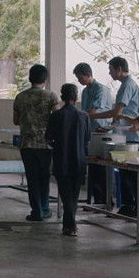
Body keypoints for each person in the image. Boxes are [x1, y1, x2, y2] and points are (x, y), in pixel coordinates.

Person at [93, 56, 139, 217]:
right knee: (126, 173)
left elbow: (117, 112)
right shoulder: (127, 85)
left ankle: (131, 207)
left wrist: (93, 116)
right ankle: (130, 206)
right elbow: (119, 116)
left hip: (131, 138)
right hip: (126, 135)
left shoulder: (127, 85)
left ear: (119, 69)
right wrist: (108, 127)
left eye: (111, 70)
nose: (110, 73)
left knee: (129, 174)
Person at [13, 65, 60, 221]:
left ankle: (36, 211)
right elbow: (57, 117)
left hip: (27, 144)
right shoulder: (51, 96)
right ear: (45, 79)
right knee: (44, 178)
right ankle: (45, 209)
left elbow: (15, 121)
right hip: (46, 144)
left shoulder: (20, 97)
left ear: (30, 78)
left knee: (32, 179)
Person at [46, 84, 90, 236]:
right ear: (76, 97)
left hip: (61, 160)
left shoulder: (55, 116)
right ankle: (69, 225)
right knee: (74, 195)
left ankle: (70, 226)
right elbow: (87, 140)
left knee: (65, 195)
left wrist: (58, 145)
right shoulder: (84, 116)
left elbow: (48, 139)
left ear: (62, 97)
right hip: (79, 160)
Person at [73, 62, 113, 203]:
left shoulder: (100, 89)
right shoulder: (85, 91)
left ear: (88, 75)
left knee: (102, 167)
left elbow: (92, 112)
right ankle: (95, 199)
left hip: (102, 132)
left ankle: (105, 200)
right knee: (93, 167)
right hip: (90, 132)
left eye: (80, 78)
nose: (79, 81)